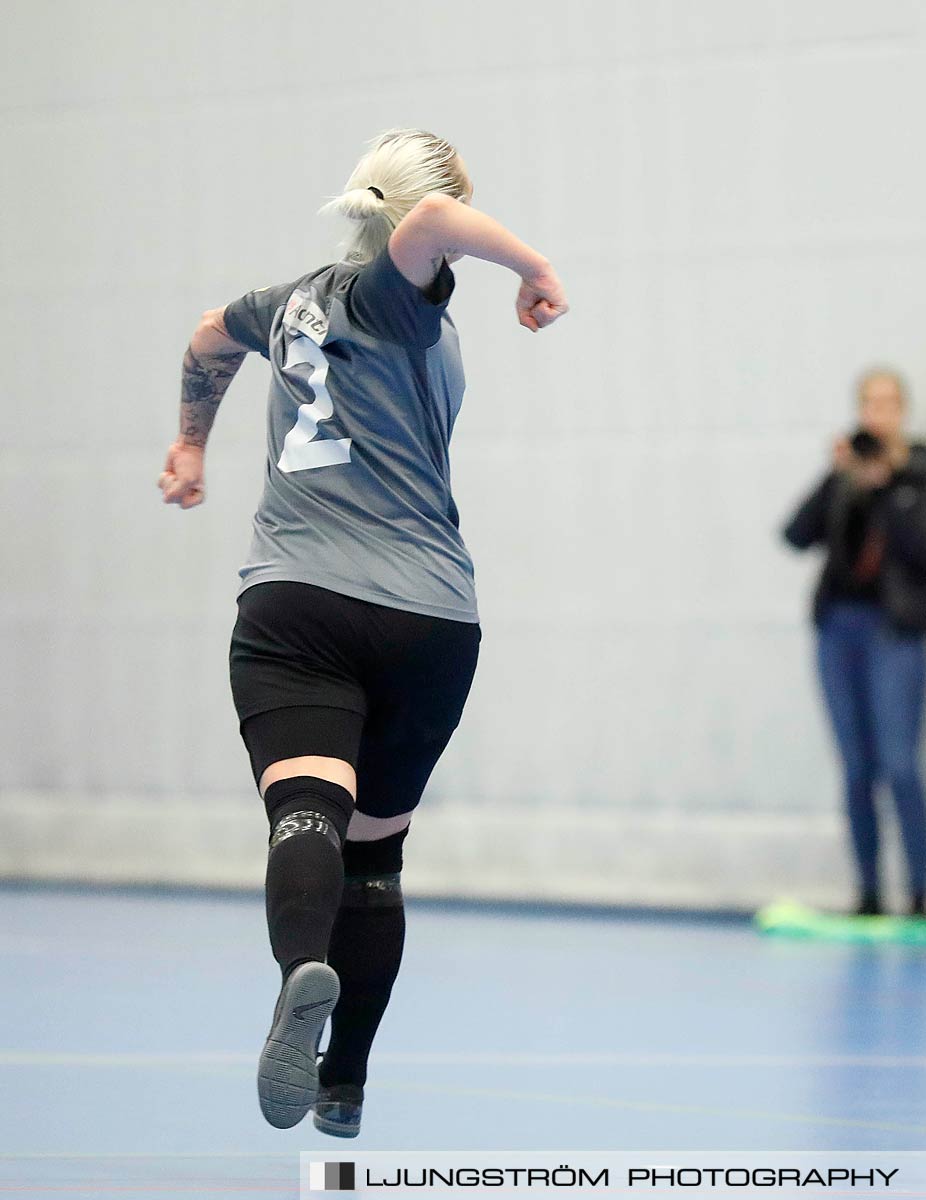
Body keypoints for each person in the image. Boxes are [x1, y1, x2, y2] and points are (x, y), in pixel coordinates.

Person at [157, 129, 566, 1137]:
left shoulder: (285, 300)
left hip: (298, 602)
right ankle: (345, 1082)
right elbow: (429, 224)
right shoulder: (397, 292)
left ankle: (304, 964)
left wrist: (188, 443)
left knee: (306, 810)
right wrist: (535, 266)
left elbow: (210, 335)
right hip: (430, 617)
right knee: (375, 861)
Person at [782, 368, 926, 918]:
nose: (877, 414)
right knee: (856, 769)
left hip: (894, 631)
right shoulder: (847, 474)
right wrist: (838, 478)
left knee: (900, 765)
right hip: (839, 628)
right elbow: (795, 534)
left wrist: (893, 489)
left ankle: (921, 894)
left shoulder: (925, 472)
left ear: (903, 409)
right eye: (868, 404)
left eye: (888, 403)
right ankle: (869, 893)